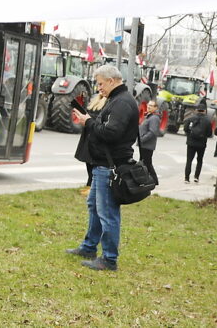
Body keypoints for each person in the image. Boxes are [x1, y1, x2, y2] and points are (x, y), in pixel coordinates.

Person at [66, 65, 138, 272]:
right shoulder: (118, 100)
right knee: (95, 207)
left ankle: (109, 259)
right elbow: (107, 126)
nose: (99, 88)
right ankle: (89, 247)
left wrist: (89, 122)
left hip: (110, 165)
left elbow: (111, 133)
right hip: (103, 164)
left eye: (100, 83)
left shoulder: (122, 102)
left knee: (107, 212)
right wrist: (89, 120)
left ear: (112, 80)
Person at [183, 104, 212, 183]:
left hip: (191, 143)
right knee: (199, 160)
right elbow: (209, 133)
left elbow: (185, 128)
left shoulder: (190, 118)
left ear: (196, 110)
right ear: (205, 111)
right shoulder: (207, 121)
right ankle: (196, 177)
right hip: (201, 144)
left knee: (189, 160)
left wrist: (190, 135)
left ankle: (186, 178)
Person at [137, 100, 162, 186]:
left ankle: (152, 180)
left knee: (146, 163)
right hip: (143, 144)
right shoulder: (149, 116)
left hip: (147, 145)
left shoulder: (154, 118)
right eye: (148, 105)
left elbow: (153, 132)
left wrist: (142, 139)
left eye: (151, 106)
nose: (149, 107)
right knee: (144, 163)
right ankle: (146, 180)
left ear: (156, 108)